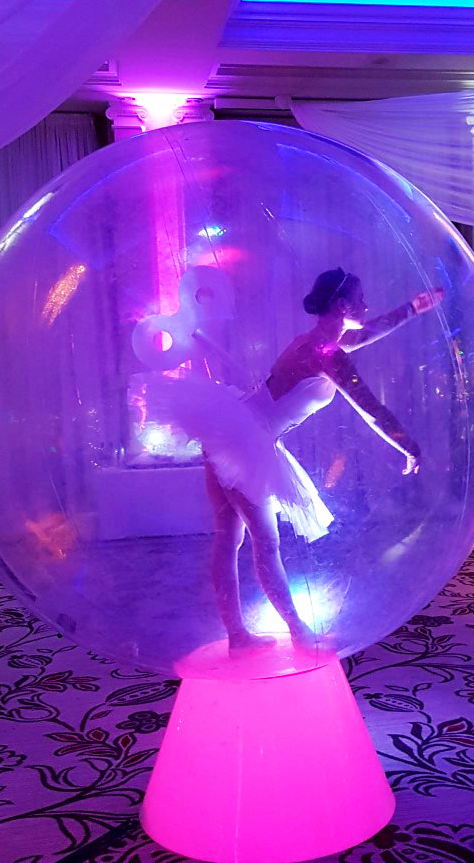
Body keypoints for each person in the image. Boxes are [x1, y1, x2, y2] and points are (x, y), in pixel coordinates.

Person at [164, 267, 441, 653]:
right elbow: (370, 409)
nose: (366, 305)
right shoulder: (329, 355)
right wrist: (407, 444)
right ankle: (298, 634)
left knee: (230, 537)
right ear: (342, 305)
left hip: (230, 428)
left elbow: (367, 332)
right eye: (360, 299)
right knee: (264, 542)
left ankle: (239, 637)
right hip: (246, 441)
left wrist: (412, 308)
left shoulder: (314, 343)